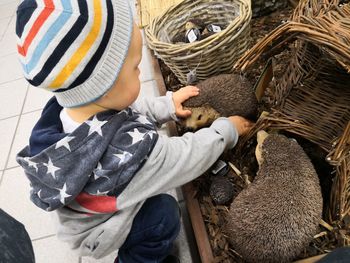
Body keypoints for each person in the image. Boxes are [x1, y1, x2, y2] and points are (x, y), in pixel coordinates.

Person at [15, 0, 253, 262]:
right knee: (163, 215)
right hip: (98, 227)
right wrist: (225, 131)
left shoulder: (72, 108)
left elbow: (128, 110)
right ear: (104, 85)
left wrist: (167, 106)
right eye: (135, 66)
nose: (140, 71)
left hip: (87, 205)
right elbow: (184, 158)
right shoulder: (124, 155)